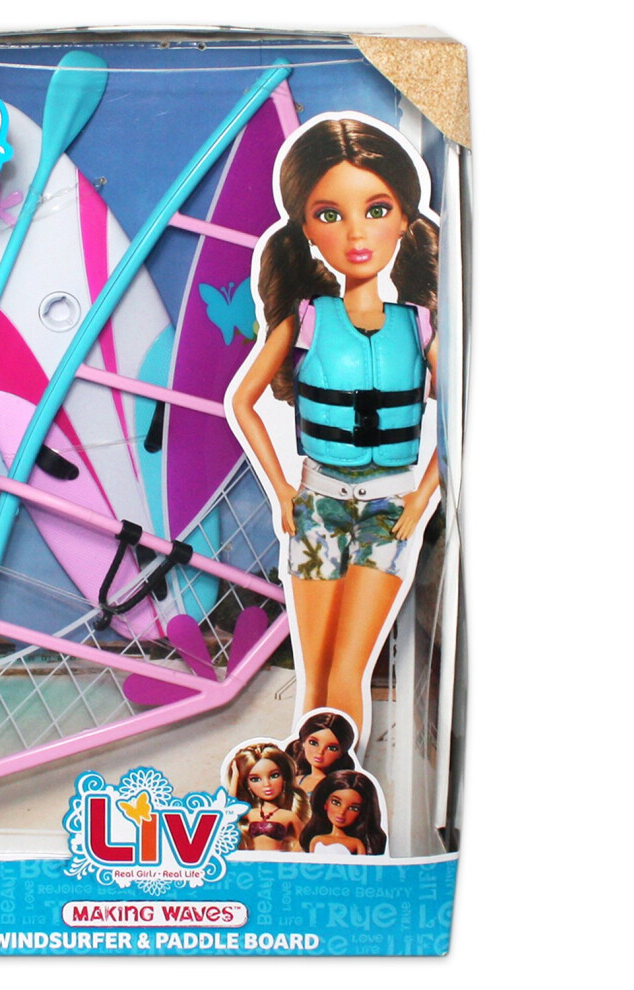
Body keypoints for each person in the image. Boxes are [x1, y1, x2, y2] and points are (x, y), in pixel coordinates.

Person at [231, 114, 440, 739]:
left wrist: (421, 497)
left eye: (376, 210)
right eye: (330, 214)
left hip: (387, 510)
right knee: (316, 671)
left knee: (350, 667)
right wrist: (283, 490)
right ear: (305, 227)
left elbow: (469, 415)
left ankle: (338, 784)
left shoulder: (419, 326)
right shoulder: (305, 320)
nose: (355, 233)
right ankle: (309, 782)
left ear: (404, 218)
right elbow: (242, 403)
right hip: (318, 505)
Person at [226, 743, 309, 852]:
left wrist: (290, 856)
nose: (266, 784)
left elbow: (304, 839)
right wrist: (235, 777)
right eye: (255, 779)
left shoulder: (288, 816)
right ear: (247, 786)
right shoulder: (250, 813)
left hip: (276, 860)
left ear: (284, 779)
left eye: (274, 775)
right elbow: (229, 810)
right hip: (253, 859)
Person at [299, 769, 387, 856]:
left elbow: (361, 864)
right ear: (325, 804)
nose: (342, 812)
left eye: (353, 808)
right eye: (336, 803)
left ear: (362, 813)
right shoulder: (316, 840)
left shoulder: (356, 843)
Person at [286, 710, 356, 794]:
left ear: (340, 754)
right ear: (303, 742)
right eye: (313, 743)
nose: (320, 752)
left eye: (332, 748)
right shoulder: (296, 781)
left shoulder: (334, 788)